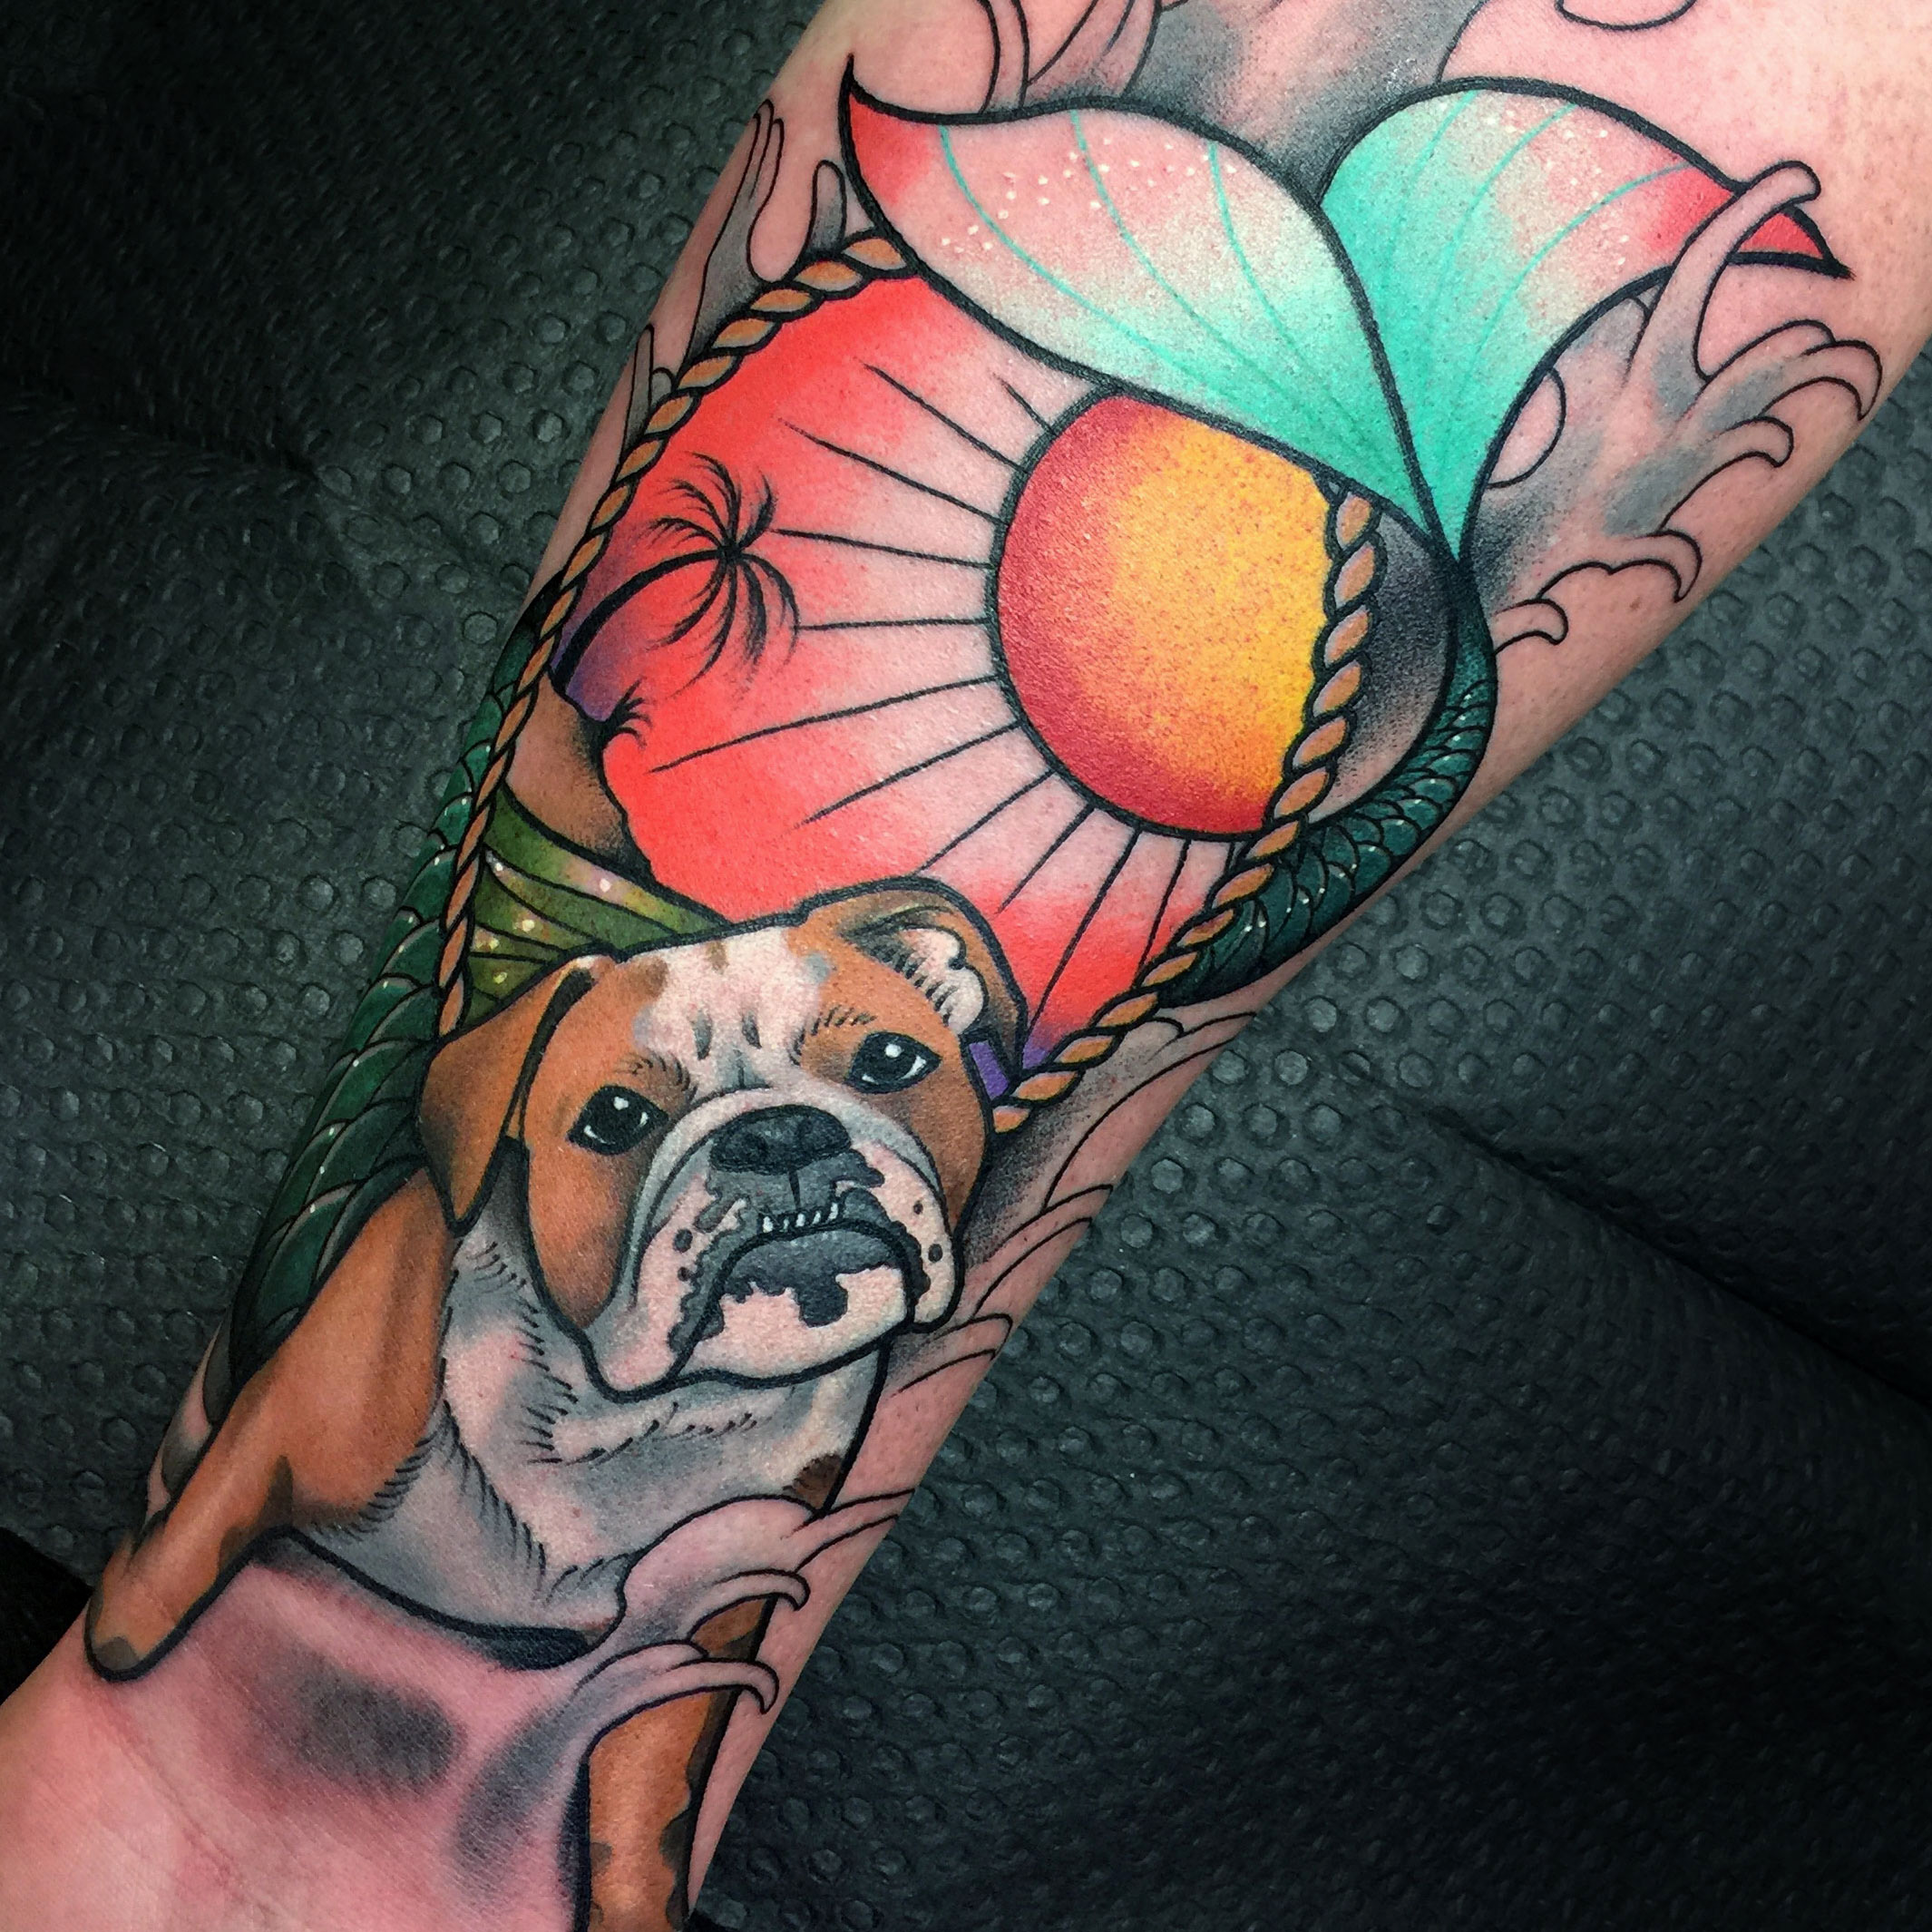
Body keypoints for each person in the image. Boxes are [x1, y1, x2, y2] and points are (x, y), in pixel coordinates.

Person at [2, 1, 1929, 1927]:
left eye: (874, 1068)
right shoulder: (437, 1275)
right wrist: (191, 1744)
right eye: (629, 1117)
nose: (778, 1151)